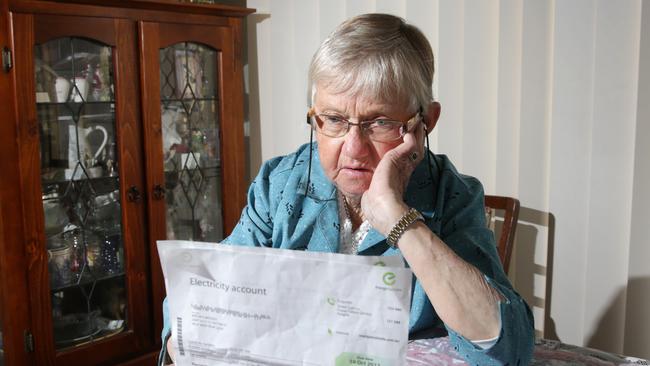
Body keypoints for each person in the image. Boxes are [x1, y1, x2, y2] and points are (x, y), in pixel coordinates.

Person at [161, 13, 534, 365]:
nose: (353, 150)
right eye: (335, 120)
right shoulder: (280, 184)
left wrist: (400, 220)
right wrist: (187, 334)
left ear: (426, 123)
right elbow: (202, 292)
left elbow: (507, 348)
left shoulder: (451, 196)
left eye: (381, 122)